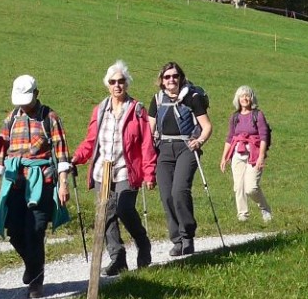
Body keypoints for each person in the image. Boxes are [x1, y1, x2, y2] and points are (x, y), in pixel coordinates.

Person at [71, 61, 157, 278]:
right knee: (106, 214)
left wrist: (149, 172)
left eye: (121, 81)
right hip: (102, 170)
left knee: (123, 208)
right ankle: (117, 258)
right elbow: (91, 141)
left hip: (126, 171)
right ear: (107, 85)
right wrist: (76, 158)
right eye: (113, 82)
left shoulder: (137, 110)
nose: (117, 85)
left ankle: (142, 242)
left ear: (127, 83)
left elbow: (146, 143)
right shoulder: (100, 110)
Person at [0, 75, 72, 298]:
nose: (24, 105)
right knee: (14, 231)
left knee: (35, 230)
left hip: (42, 183)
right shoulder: (11, 119)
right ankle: (31, 264)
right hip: (15, 183)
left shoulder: (50, 118)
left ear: (37, 94)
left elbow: (62, 153)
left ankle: (36, 280)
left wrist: (63, 183)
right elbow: (1, 152)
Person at [152, 62, 212, 258]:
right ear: (162, 80)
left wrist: (200, 141)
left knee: (179, 191)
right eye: (167, 77)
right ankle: (177, 240)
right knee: (166, 195)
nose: (171, 80)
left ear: (181, 78)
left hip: (187, 147)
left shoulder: (192, 98)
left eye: (175, 76)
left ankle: (187, 236)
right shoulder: (157, 99)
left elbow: (207, 126)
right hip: (163, 150)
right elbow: (149, 128)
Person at [221, 86, 273, 225]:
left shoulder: (258, 115)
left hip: (254, 152)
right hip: (237, 152)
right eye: (241, 96)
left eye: (247, 96)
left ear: (251, 98)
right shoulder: (235, 117)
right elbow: (230, 137)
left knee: (251, 188)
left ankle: (265, 208)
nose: (244, 98)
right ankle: (242, 216)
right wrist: (224, 157)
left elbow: (264, 137)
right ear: (237, 99)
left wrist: (261, 156)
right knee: (238, 186)